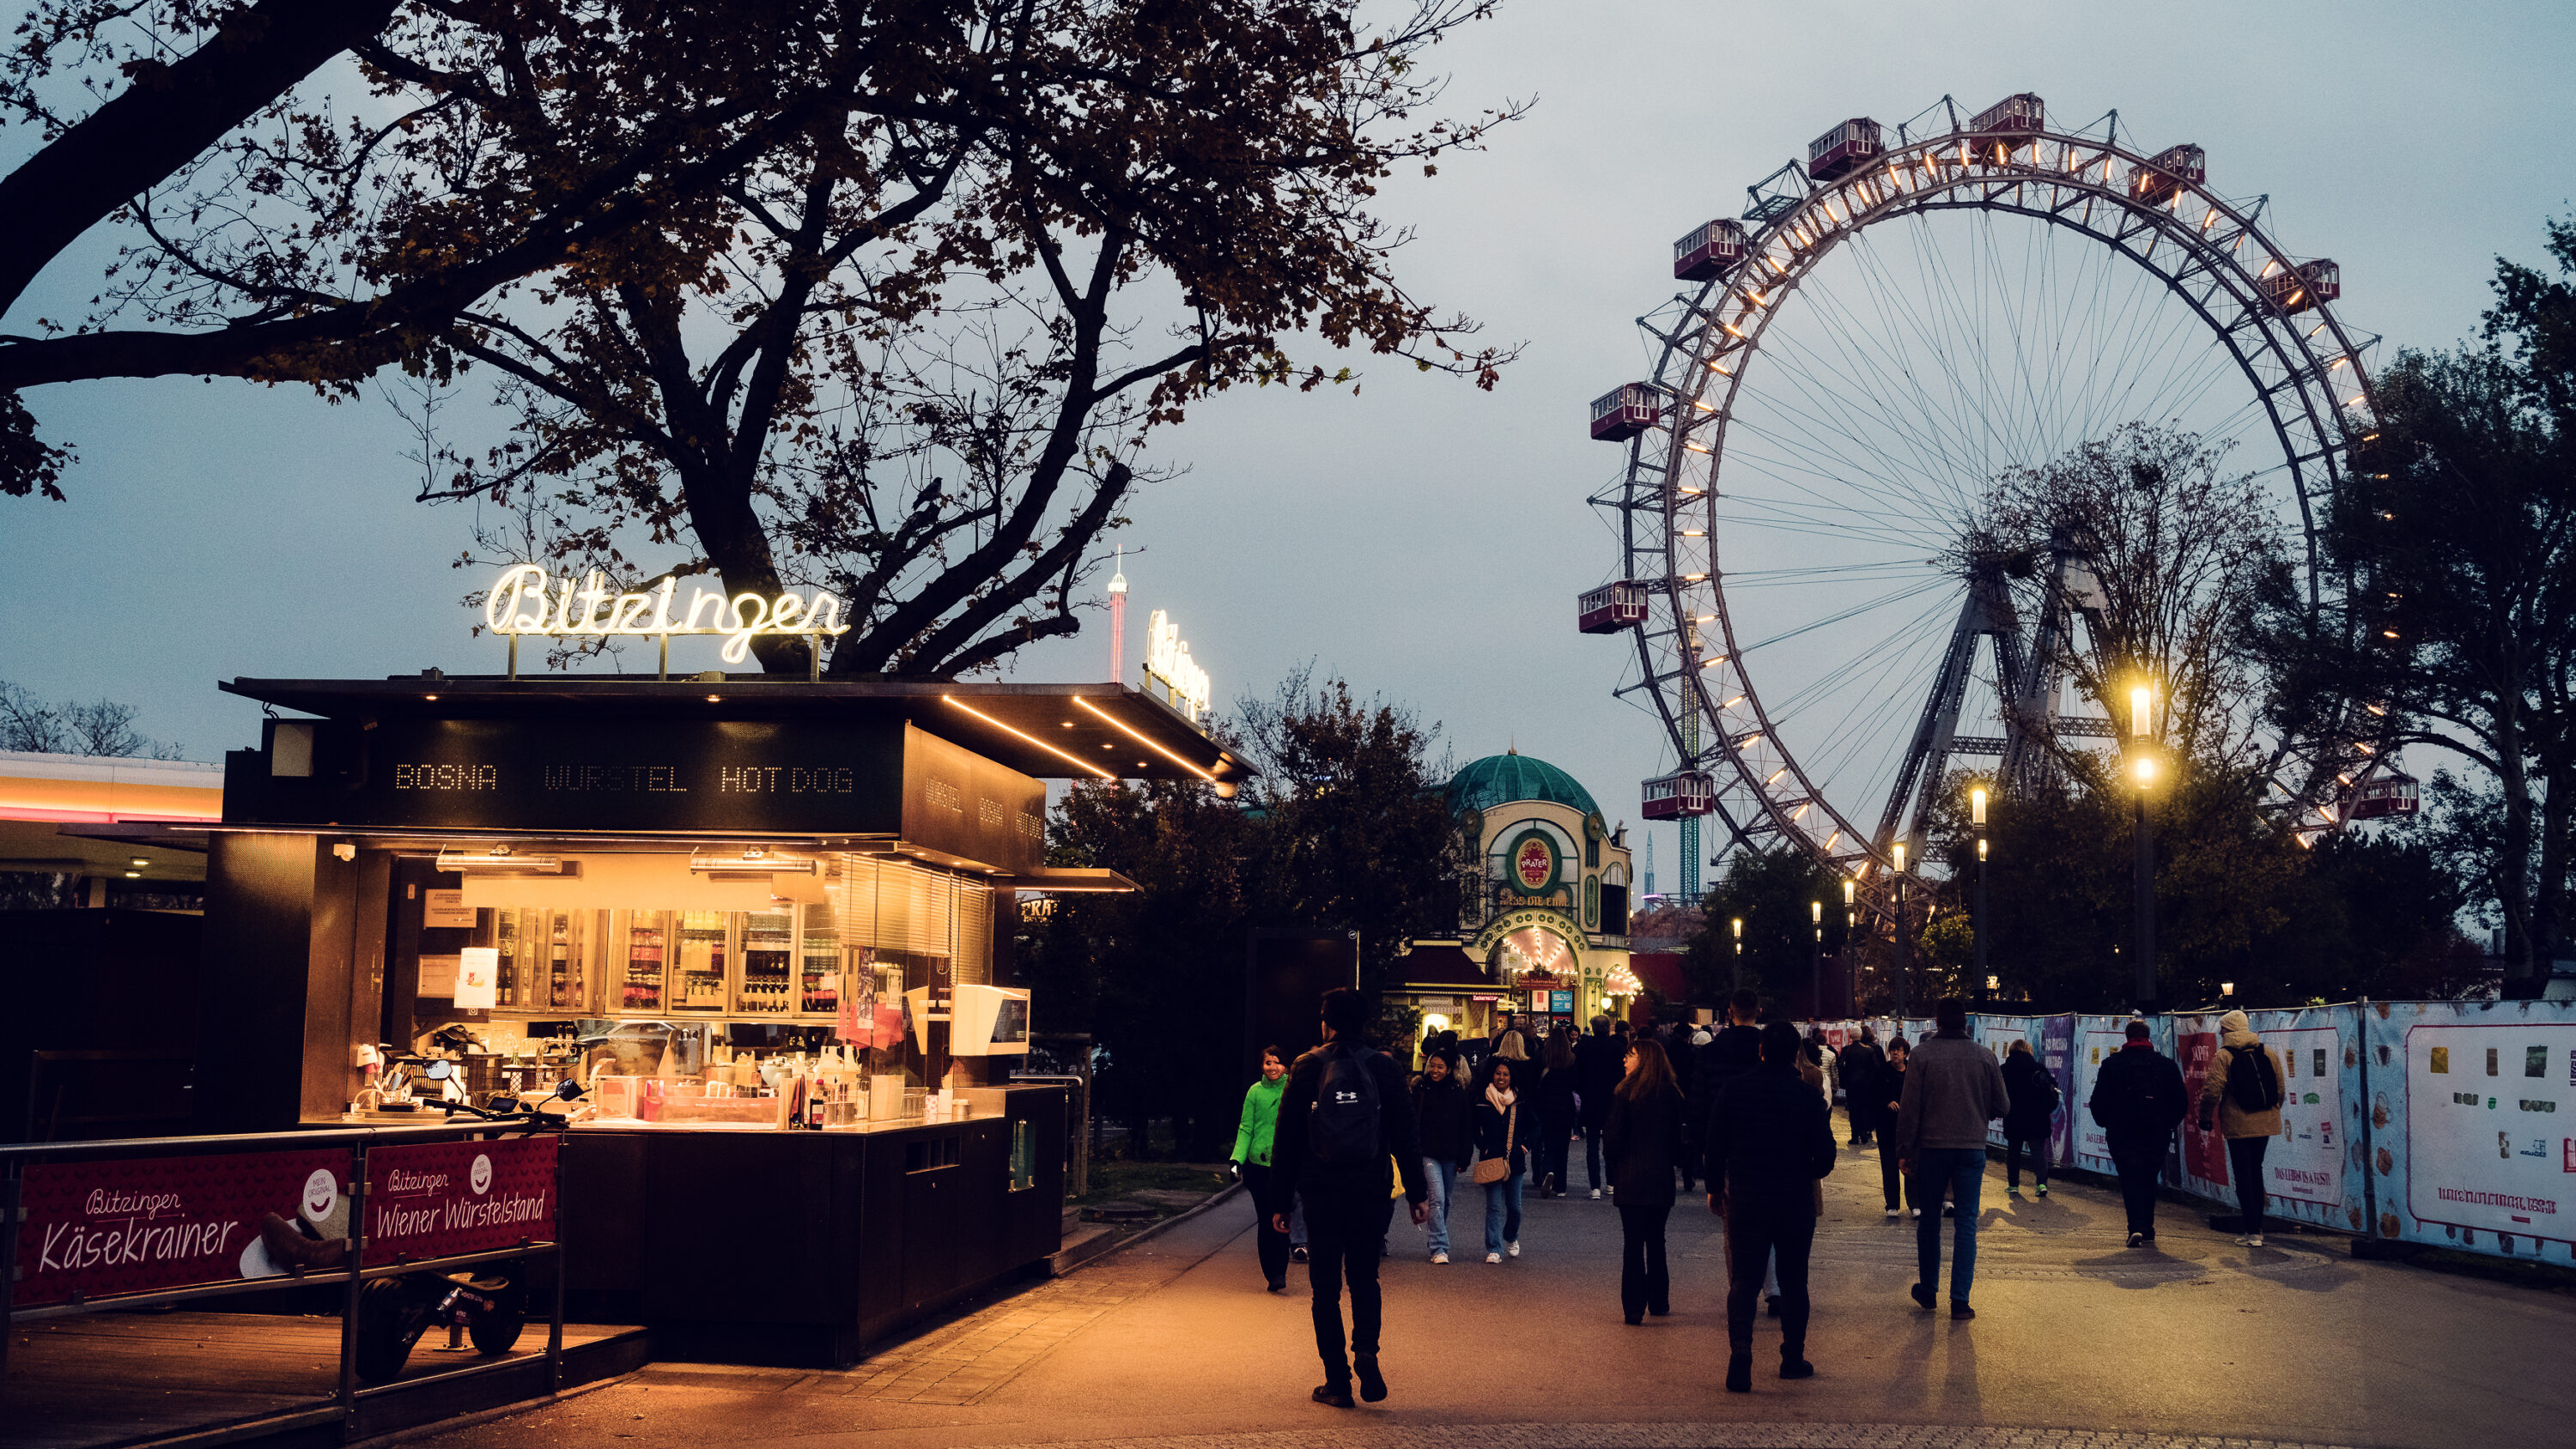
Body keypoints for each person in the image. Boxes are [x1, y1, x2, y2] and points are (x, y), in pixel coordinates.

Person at [1271, 987, 1430, 1408]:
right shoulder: (1384, 1068)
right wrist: (1418, 1193)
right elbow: (1405, 1136)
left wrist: (1281, 1201)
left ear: (1326, 1022)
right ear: (1366, 1023)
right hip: (1370, 1190)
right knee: (1365, 1277)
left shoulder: (1307, 1066)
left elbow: (1286, 1137)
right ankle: (1367, 1351)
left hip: (1320, 1191)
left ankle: (1337, 1382)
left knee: (1324, 1287)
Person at [1703, 1020, 1836, 1390]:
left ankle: (1741, 1352)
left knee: (1745, 1279)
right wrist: (1806, 1170)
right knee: (1795, 1281)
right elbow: (1826, 1155)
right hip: (1794, 1199)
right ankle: (1792, 1357)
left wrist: (1715, 1188)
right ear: (1796, 1054)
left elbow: (1713, 1147)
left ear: (1761, 1050)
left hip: (1747, 1196)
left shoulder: (1735, 1091)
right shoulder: (1807, 1097)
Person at [1889, 998, 2008, 1319]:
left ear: (1937, 1022)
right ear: (1966, 1023)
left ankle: (1928, 1290)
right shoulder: (1985, 1056)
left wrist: (1904, 1151)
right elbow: (2003, 1106)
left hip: (1931, 1149)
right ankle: (1960, 1300)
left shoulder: (1923, 1056)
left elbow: (1910, 1108)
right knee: (1967, 1221)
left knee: (1929, 1219)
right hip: (1971, 1147)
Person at [1603, 1037, 1686, 1324]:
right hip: (1660, 1176)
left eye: (1631, 1054)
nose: (1625, 1059)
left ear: (1645, 1060)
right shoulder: (1672, 1094)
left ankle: (1634, 1307)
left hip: (1631, 1175)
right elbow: (1678, 1142)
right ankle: (1659, 1300)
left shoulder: (1625, 1094)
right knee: (1657, 1239)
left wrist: (1613, 1167)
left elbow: (1612, 1138)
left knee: (1633, 1242)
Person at [2087, 1018, 2187, 1247]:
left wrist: (2105, 1122)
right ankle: (2148, 1227)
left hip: (2122, 1131)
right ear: (2148, 1036)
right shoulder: (2166, 1065)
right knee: (2149, 1177)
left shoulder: (2112, 1064)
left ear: (2127, 1037)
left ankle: (2136, 1227)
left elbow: (2098, 1100)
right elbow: (2181, 1100)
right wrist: (2168, 1123)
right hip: (2156, 1131)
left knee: (2130, 1178)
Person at [2199, 1009, 2287, 1248]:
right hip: (2266, 1122)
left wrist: (2205, 1116)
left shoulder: (2224, 1056)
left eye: (2223, 1028)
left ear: (2229, 1030)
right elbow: (2280, 1089)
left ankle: (2252, 1231)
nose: (2220, 1031)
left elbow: (2212, 1090)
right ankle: (2257, 1229)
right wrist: (2272, 1110)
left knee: (2243, 1175)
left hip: (2238, 1123)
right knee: (2256, 1172)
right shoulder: (2267, 1052)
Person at [1230, 1046, 1292, 1291]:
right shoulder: (1254, 1092)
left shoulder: (1293, 1089)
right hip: (1258, 1166)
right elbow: (1246, 1127)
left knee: (1283, 1216)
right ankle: (1272, 1273)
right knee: (1266, 1219)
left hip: (1285, 1166)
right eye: (1268, 1062)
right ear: (1262, 1066)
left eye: (1278, 1062)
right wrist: (1237, 1159)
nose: (1273, 1067)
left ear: (1286, 1065)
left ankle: (1281, 1269)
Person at [1412, 1048, 1473, 1264]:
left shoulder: (1458, 1091)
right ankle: (1440, 1247)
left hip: (1451, 1153)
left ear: (1448, 1070)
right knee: (1436, 1198)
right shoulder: (1420, 1088)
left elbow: (1467, 1125)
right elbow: (1412, 1120)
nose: (1435, 1070)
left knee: (1445, 1200)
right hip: (1427, 1152)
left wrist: (1465, 1157)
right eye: (1432, 1066)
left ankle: (1435, 1235)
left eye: (1440, 1067)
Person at [1471, 1057, 1529, 1263]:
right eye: (1498, 1073)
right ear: (1492, 1075)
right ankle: (1494, 1249)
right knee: (1493, 1206)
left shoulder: (1520, 1100)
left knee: (1515, 1207)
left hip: (1514, 1160)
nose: (1501, 1077)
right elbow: (1472, 1127)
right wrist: (1482, 1146)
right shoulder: (1482, 1100)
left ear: (1511, 1077)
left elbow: (1536, 1125)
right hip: (1491, 1160)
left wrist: (1526, 1145)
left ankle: (1511, 1236)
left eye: (1505, 1074)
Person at [1999, 1039, 2059, 1197]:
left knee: (2013, 1151)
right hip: (2037, 1116)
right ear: (2028, 1050)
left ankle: (2013, 1185)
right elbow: (2053, 1086)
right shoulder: (2038, 1068)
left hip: (2014, 1116)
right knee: (2038, 1151)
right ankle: (2041, 1184)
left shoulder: (2005, 1069)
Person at [1575, 1016, 1624, 1199]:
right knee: (1611, 1144)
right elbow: (1622, 1075)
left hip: (1590, 1100)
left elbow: (1577, 1074)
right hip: (1612, 1102)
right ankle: (1611, 1183)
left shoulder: (1583, 1047)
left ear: (1593, 1028)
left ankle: (1594, 1186)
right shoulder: (1617, 1048)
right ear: (1608, 1028)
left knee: (1592, 1146)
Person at [1532, 1031, 1581, 1197]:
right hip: (1565, 1107)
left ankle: (1548, 1172)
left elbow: (1534, 1082)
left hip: (1545, 1106)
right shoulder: (1571, 1059)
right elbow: (1576, 1083)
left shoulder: (1542, 1058)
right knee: (1563, 1147)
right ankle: (1561, 1186)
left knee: (1548, 1144)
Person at [1874, 1039, 1917, 1217]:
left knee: (1911, 1165)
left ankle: (1915, 1203)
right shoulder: (1881, 1072)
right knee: (1890, 1166)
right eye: (1892, 1050)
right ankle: (1892, 1204)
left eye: (1899, 1050)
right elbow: (1871, 1097)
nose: (1895, 1053)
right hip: (1888, 1127)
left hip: (1909, 1128)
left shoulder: (1913, 1073)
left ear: (1905, 1053)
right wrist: (1886, 1102)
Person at [1838, 1028, 1885, 1146]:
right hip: (1865, 1084)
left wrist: (1844, 1079)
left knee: (1853, 1110)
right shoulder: (1869, 1050)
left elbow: (1840, 1065)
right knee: (1864, 1108)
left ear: (1850, 1036)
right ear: (1860, 1035)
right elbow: (1877, 1066)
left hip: (1851, 1084)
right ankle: (1863, 1134)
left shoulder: (1846, 1050)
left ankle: (1854, 1136)